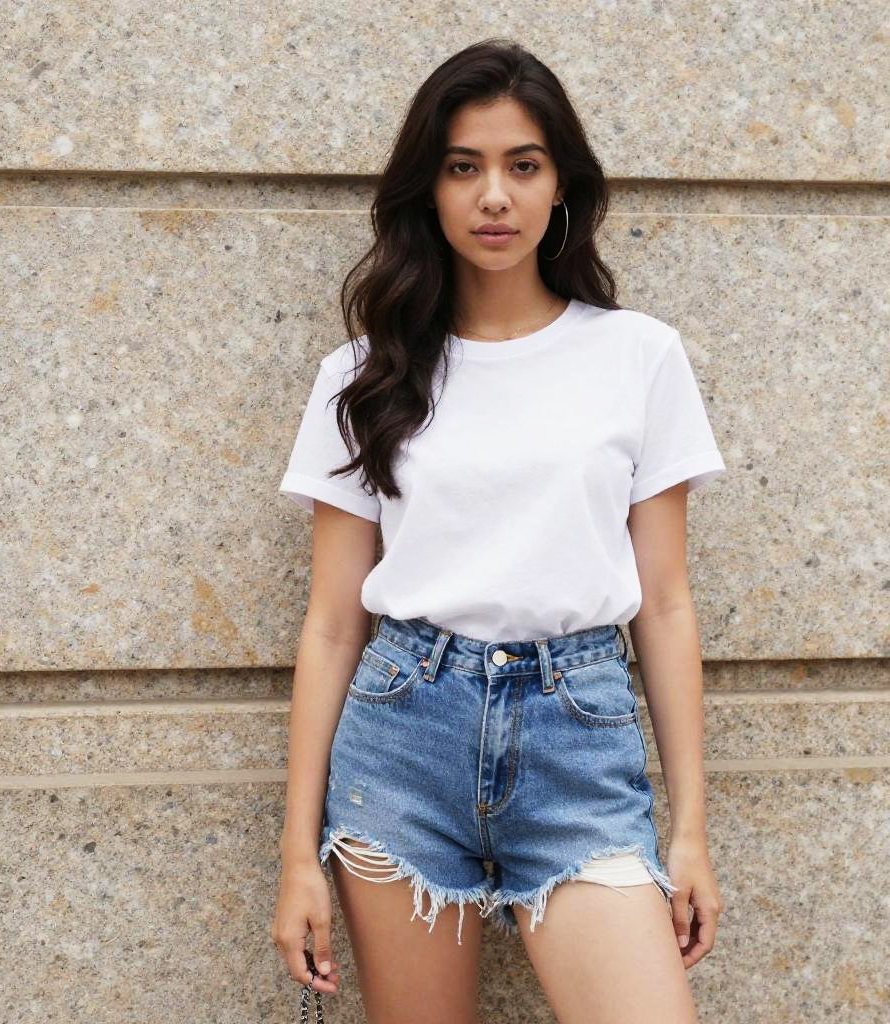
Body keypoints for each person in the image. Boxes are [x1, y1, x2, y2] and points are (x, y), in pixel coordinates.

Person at [270, 37, 726, 1024]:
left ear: (560, 185)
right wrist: (297, 854)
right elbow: (332, 624)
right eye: (462, 166)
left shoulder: (638, 356)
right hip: (403, 735)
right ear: (428, 189)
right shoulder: (365, 375)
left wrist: (688, 828)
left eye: (523, 165)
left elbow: (665, 603)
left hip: (579, 738)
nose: (493, 197)